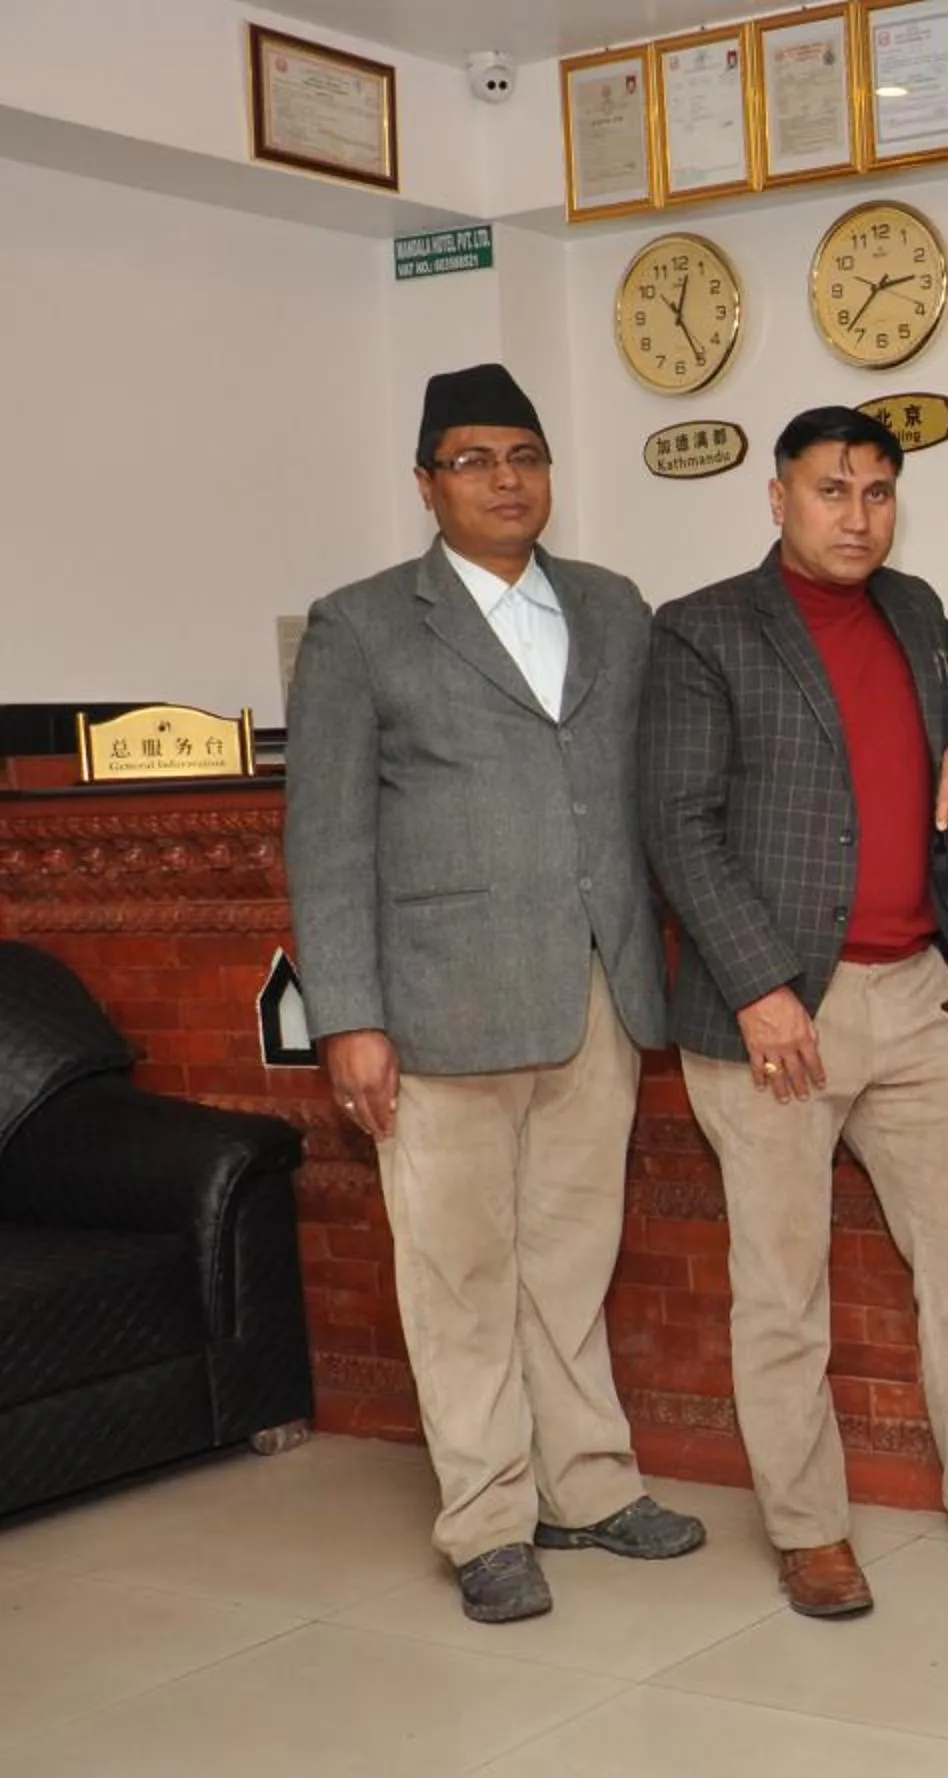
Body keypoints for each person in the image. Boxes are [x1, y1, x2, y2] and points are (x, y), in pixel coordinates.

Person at [641, 407, 948, 1621]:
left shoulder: (911, 609)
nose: (857, 515)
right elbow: (678, 828)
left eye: (877, 492)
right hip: (776, 1011)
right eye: (832, 490)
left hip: (912, 994)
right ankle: (809, 1531)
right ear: (778, 499)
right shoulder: (702, 631)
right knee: (784, 1290)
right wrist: (758, 988)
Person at [285, 362, 703, 1625]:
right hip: (437, 1010)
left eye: (524, 455)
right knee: (458, 1273)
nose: (505, 479)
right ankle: (486, 1521)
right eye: (473, 460)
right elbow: (326, 839)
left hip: (595, 991)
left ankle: (587, 1485)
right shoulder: (362, 625)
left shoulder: (616, 606)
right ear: (427, 484)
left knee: (571, 1262)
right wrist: (349, 1016)